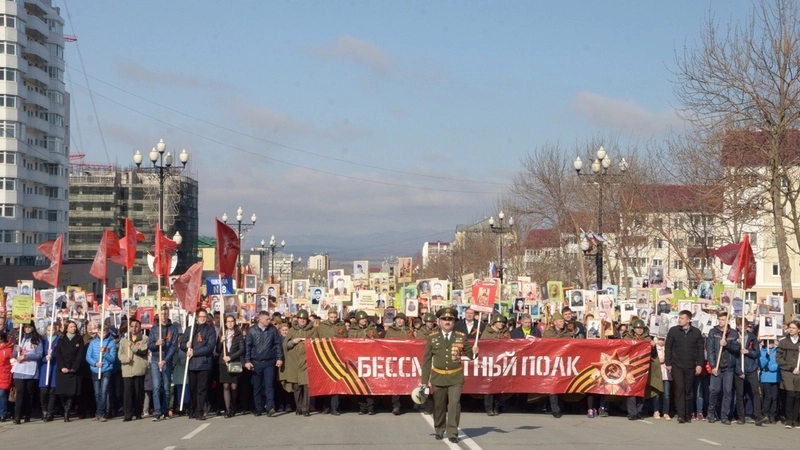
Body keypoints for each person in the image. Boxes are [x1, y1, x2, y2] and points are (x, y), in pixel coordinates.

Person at [420, 308, 478, 443]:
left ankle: (452, 432)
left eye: (450, 320)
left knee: (454, 404)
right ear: (439, 322)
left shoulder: (460, 337)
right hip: (438, 377)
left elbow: (470, 355)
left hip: (455, 377)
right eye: (444, 320)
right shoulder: (432, 338)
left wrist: (475, 352)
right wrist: (424, 381)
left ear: (454, 322)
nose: (447, 322)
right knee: (439, 405)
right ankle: (439, 429)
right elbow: (427, 360)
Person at [665, 310, 705, 424]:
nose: (679, 320)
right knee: (679, 388)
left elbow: (700, 350)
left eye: (682, 318)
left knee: (688, 390)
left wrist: (699, 364)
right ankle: (681, 414)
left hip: (690, 365)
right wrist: (668, 363)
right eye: (679, 318)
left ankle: (688, 414)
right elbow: (668, 347)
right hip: (677, 365)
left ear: (688, 320)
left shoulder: (696, 332)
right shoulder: (673, 331)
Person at [179, 310, 217, 420]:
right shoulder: (190, 329)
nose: (203, 318)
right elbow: (182, 344)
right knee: (192, 388)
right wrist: (186, 346)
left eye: (204, 316)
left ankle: (200, 411)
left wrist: (194, 352)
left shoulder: (210, 330)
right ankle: (193, 409)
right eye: (201, 316)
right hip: (191, 364)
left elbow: (210, 347)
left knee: (202, 388)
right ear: (196, 318)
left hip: (204, 363)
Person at [244, 311, 283, 417]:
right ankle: (258, 407)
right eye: (267, 319)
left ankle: (270, 407)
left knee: (269, 385)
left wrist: (279, 358)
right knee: (257, 386)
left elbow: (277, 344)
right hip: (256, 362)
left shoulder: (272, 330)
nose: (269, 321)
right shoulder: (252, 330)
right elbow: (248, 346)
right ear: (260, 319)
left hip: (269, 361)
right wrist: (247, 361)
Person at [623, 319, 662, 420]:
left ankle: (639, 411)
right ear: (634, 328)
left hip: (643, 367)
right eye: (637, 328)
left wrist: (653, 347)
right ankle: (632, 412)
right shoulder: (627, 337)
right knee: (631, 390)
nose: (639, 330)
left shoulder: (647, 338)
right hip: (630, 367)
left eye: (641, 328)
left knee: (640, 390)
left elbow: (653, 355)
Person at [706, 311, 740, 424]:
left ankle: (725, 415)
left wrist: (727, 344)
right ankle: (711, 412)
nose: (721, 322)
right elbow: (710, 350)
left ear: (728, 321)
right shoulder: (713, 332)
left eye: (723, 320)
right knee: (715, 390)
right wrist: (713, 365)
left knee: (728, 391)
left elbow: (737, 348)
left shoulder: (734, 333)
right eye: (719, 319)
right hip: (717, 367)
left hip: (729, 367)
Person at [282, 309, 314, 416]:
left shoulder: (312, 330)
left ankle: (306, 408)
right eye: (300, 319)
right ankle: (298, 407)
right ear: (298, 319)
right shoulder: (292, 330)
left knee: (306, 386)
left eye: (304, 319)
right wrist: (293, 342)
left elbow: (317, 344)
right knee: (297, 386)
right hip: (294, 362)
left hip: (307, 361)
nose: (302, 321)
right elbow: (285, 345)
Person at [734, 318, 766, 425]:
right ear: (737, 326)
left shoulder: (752, 338)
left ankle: (758, 416)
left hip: (751, 368)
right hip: (739, 369)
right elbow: (733, 356)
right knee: (740, 394)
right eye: (739, 325)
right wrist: (739, 371)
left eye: (744, 325)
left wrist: (748, 351)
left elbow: (757, 353)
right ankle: (741, 417)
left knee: (755, 392)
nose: (742, 327)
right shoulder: (734, 337)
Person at [149, 305, 178, 421]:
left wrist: (165, 360)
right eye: (162, 314)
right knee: (156, 386)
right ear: (159, 315)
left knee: (166, 386)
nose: (164, 316)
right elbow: (150, 346)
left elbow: (174, 346)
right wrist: (156, 344)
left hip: (167, 360)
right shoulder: (154, 329)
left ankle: (165, 410)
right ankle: (157, 411)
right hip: (156, 359)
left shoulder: (173, 329)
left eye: (166, 314)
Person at [85, 318, 117, 422]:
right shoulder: (93, 343)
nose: (101, 334)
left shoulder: (111, 343)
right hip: (95, 369)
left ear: (107, 332)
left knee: (104, 392)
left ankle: (101, 413)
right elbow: (88, 357)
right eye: (99, 332)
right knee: (97, 393)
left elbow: (112, 359)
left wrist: (105, 353)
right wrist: (95, 363)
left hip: (106, 370)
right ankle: (98, 411)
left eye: (103, 331)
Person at [383, 312, 414, 415]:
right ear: (395, 320)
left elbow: (414, 344)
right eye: (398, 319)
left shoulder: (409, 331)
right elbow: (385, 345)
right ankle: (396, 405)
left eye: (401, 319)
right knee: (396, 383)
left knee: (407, 382)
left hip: (406, 361)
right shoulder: (391, 331)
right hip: (394, 361)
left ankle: (407, 404)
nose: (399, 321)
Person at [316, 309, 346, 415]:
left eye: (335, 317)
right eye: (331, 317)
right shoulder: (322, 326)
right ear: (328, 316)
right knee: (326, 383)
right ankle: (326, 406)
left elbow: (346, 339)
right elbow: (317, 340)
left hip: (337, 357)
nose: (333, 319)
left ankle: (334, 407)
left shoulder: (341, 325)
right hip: (325, 356)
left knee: (336, 383)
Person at [119, 319, 148, 422]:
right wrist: (124, 359)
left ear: (140, 327)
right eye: (132, 326)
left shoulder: (144, 338)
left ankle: (138, 411)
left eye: (136, 326)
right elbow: (120, 353)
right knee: (127, 392)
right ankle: (128, 413)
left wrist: (132, 346)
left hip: (139, 368)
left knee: (138, 391)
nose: (134, 328)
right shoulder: (123, 340)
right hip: (127, 369)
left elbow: (143, 351)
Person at [348, 310, 377, 414]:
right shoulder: (352, 330)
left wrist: (373, 338)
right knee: (359, 384)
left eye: (365, 318)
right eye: (362, 319)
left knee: (369, 384)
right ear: (358, 320)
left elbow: (377, 341)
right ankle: (362, 407)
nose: (364, 320)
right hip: (356, 360)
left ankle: (370, 407)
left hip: (369, 359)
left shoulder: (371, 328)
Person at [54, 320, 83, 422]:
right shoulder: (61, 339)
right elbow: (58, 354)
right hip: (63, 369)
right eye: (71, 327)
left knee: (71, 393)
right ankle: (64, 407)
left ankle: (67, 411)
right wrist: (62, 367)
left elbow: (80, 355)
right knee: (62, 392)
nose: (73, 328)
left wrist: (74, 368)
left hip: (73, 369)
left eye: (74, 327)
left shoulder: (79, 339)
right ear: (66, 328)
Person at [543, 313, 571, 417]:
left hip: (563, 363)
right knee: (552, 385)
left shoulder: (567, 334)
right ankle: (555, 409)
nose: (562, 323)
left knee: (562, 385)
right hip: (551, 362)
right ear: (554, 322)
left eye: (563, 321)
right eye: (560, 321)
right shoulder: (548, 333)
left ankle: (560, 406)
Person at [482, 314, 510, 416]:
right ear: (494, 322)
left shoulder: (505, 333)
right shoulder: (487, 332)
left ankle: (496, 407)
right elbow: (483, 345)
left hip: (501, 362)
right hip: (489, 361)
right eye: (499, 322)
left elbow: (510, 345)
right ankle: (489, 408)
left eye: (502, 322)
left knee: (499, 385)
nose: (501, 324)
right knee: (489, 385)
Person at [218, 314, 244, 418]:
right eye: (228, 321)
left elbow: (242, 349)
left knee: (233, 386)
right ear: (225, 323)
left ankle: (234, 405)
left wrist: (231, 357)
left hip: (234, 362)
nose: (230, 323)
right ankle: (227, 409)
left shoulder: (238, 334)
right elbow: (217, 350)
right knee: (226, 385)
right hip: (223, 362)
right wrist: (221, 342)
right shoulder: (222, 334)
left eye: (232, 321)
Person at [776, 320, 800, 428]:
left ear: (798, 330)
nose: (791, 329)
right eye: (790, 327)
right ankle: (789, 419)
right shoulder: (783, 342)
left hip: (798, 371)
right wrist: (791, 368)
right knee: (790, 394)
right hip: (787, 371)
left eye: (794, 328)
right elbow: (779, 358)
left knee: (798, 396)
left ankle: (796, 419)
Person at [38, 322, 60, 422]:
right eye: (48, 330)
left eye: (52, 330)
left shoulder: (59, 340)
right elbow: (38, 354)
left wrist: (54, 354)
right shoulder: (42, 341)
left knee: (52, 391)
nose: (50, 332)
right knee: (43, 391)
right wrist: (44, 358)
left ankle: (50, 412)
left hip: (55, 367)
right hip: (44, 367)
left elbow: (61, 354)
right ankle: (44, 410)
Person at [760, 339, 780, 424]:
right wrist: (766, 357)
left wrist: (770, 368)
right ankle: (765, 414)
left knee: (775, 397)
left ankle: (773, 415)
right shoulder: (762, 351)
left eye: (772, 342)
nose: (771, 344)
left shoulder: (777, 351)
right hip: (766, 377)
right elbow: (761, 364)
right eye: (769, 342)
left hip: (775, 377)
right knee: (768, 396)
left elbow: (779, 363)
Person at [653, 336, 671, 420]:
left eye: (663, 340)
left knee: (666, 394)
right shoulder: (654, 348)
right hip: (657, 373)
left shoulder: (668, 348)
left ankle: (666, 412)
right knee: (656, 393)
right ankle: (656, 410)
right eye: (659, 339)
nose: (661, 341)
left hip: (666, 374)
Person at [0, 331, 13, 422]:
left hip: (5, 374)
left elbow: (12, 362)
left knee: (2, 394)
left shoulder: (8, 349)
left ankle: (3, 414)